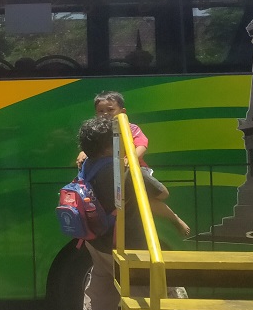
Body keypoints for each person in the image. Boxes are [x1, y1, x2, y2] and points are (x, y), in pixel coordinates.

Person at [75, 116, 190, 310]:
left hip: (98, 243)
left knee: (101, 287)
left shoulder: (87, 164)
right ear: (110, 145)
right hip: (128, 246)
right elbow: (162, 193)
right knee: (165, 295)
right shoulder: (123, 170)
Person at [77, 91, 191, 234]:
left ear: (122, 112)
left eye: (110, 110)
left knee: (153, 196)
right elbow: (93, 146)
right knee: (141, 201)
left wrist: (130, 159)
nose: (105, 114)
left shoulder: (131, 128)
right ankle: (173, 218)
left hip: (136, 168)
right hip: (118, 173)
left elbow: (142, 145)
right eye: (101, 111)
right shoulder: (101, 132)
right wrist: (83, 152)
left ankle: (174, 218)